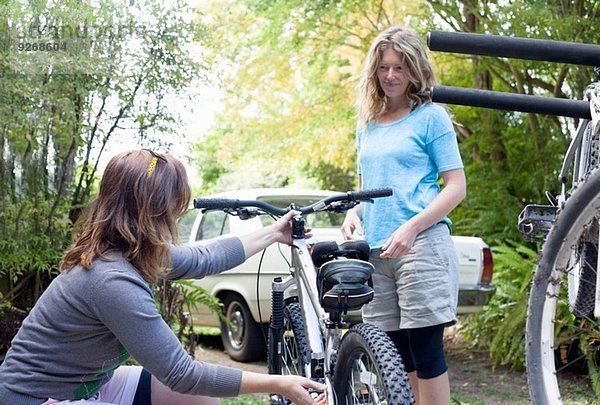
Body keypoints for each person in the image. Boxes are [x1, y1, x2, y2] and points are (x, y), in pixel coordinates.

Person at [0, 149, 326, 405]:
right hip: (38, 399)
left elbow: (204, 258)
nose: (178, 214)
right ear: (153, 211)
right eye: (174, 206)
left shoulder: (132, 252)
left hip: (86, 387)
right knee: (189, 387)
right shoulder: (110, 280)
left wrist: (273, 232)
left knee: (197, 399)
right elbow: (181, 373)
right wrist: (279, 382)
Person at [341, 26, 466, 405]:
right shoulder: (367, 125)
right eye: (383, 68)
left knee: (426, 354)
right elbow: (367, 187)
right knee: (395, 358)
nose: (391, 76)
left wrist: (412, 227)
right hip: (378, 252)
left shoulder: (431, 118)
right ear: (374, 72)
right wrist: (352, 211)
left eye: (399, 67)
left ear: (414, 70)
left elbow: (457, 187)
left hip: (421, 246)